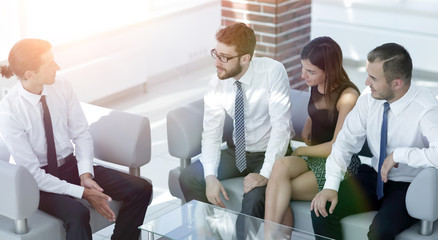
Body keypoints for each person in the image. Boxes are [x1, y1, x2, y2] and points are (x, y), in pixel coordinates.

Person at [0, 38, 152, 240]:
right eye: (50, 64)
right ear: (30, 74)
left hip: (70, 166)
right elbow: (33, 174)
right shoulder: (10, 111)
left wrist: (86, 175)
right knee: (78, 214)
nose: (58, 67)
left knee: (140, 188)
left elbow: (81, 133)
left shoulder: (62, 86)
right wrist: (81, 192)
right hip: (37, 181)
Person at [310, 42, 438, 240]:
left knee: (380, 233)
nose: (367, 83)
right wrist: (331, 186)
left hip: (408, 186)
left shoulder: (426, 107)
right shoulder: (369, 99)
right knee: (322, 210)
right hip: (374, 176)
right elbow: (344, 142)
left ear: (396, 83)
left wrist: (399, 155)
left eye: (373, 78)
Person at [178, 22, 292, 223]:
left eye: (225, 57)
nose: (217, 63)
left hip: (269, 152)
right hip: (237, 152)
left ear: (245, 59)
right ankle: (210, 233)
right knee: (188, 177)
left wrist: (265, 174)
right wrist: (210, 176)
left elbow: (281, 128)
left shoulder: (273, 72)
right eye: (216, 54)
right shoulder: (216, 83)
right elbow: (211, 134)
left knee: (255, 196)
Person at [264, 36, 360, 233]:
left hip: (338, 163)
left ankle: (270, 237)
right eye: (303, 68)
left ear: (329, 71)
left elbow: (336, 146)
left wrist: (301, 151)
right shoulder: (317, 83)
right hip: (315, 156)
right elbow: (320, 108)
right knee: (279, 165)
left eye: (310, 71)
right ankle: (269, 236)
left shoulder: (348, 96)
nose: (303, 76)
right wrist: (310, 120)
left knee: (278, 188)